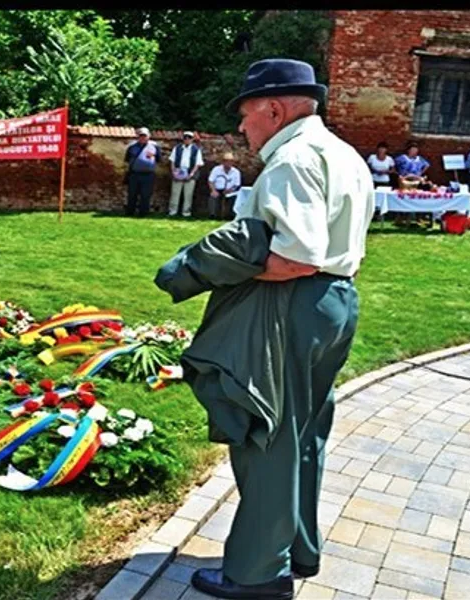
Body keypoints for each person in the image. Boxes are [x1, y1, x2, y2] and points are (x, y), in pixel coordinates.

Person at [158, 58, 373, 600]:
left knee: (267, 435)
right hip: (334, 301)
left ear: (274, 110)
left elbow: (296, 257)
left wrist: (209, 262)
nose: (241, 128)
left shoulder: (292, 159)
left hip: (292, 303)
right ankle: (297, 550)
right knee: (304, 433)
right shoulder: (341, 153)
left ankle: (257, 574)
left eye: (247, 114)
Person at [124, 127, 161, 217]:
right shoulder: (132, 147)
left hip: (148, 175)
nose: (143, 138)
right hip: (134, 174)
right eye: (141, 136)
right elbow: (127, 159)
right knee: (132, 194)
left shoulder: (155, 146)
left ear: (149, 136)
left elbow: (159, 159)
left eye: (145, 136)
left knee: (146, 195)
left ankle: (143, 213)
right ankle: (130, 212)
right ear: (138, 136)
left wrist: (152, 156)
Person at [168, 131, 204, 217]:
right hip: (178, 172)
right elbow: (172, 161)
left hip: (190, 173)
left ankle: (186, 213)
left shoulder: (196, 149)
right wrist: (174, 172)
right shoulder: (177, 148)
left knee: (188, 194)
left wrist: (191, 174)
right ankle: (172, 211)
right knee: (175, 193)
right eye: (185, 138)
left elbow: (197, 163)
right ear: (183, 139)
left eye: (189, 138)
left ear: (192, 139)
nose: (187, 140)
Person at [207, 151, 242, 219]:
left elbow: (237, 184)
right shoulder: (216, 169)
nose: (229, 163)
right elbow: (210, 181)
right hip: (218, 189)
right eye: (227, 161)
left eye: (231, 161)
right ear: (223, 162)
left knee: (234, 198)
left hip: (230, 190)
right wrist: (213, 190)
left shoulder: (236, 172)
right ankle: (213, 215)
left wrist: (230, 190)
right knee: (213, 197)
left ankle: (230, 216)